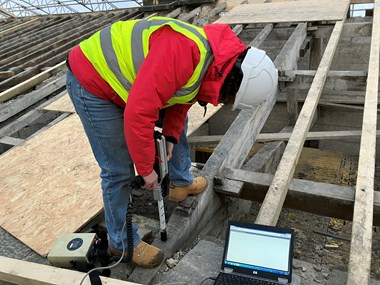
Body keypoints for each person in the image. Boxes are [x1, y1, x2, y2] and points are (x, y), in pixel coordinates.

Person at [65, 16, 278, 269]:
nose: (223, 102)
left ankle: (180, 182)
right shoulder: (184, 53)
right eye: (228, 98)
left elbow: (181, 99)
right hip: (93, 80)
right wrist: (146, 171)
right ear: (234, 83)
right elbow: (138, 115)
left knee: (178, 124)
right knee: (117, 170)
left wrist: (171, 137)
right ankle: (121, 242)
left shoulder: (213, 62)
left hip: (128, 81)